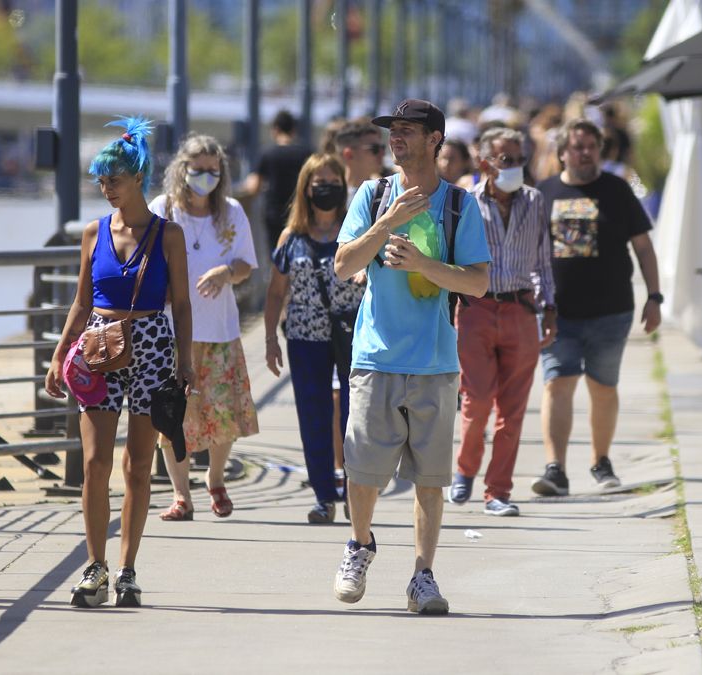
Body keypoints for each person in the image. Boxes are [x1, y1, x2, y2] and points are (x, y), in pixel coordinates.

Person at [332, 99, 490, 615]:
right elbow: (343, 265)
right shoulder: (372, 194)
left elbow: (479, 283)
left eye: (407, 130)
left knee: (429, 478)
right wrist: (385, 223)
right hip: (375, 354)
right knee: (361, 469)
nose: (396, 138)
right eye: (392, 131)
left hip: (435, 360)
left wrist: (425, 263)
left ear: (435, 140)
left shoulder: (459, 206)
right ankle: (360, 544)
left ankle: (423, 576)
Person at [45, 116, 195, 608]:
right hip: (97, 347)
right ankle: (95, 566)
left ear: (138, 179)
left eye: (114, 179)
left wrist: (185, 363)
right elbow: (81, 301)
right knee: (95, 462)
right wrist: (59, 354)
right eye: (102, 180)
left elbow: (183, 303)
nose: (106, 188)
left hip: (152, 344)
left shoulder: (166, 234)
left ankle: (128, 568)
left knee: (137, 466)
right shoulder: (94, 233)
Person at [532, 118, 661, 496]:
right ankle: (555, 469)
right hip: (558, 312)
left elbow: (643, 247)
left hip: (611, 310)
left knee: (603, 387)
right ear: (562, 153)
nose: (584, 153)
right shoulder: (544, 193)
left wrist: (654, 297)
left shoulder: (617, 190)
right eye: (576, 146)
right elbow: (530, 251)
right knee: (557, 383)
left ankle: (600, 461)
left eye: (591, 146)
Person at [150, 133, 259, 522]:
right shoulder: (163, 210)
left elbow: (247, 264)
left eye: (214, 170)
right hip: (171, 334)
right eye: (198, 169)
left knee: (223, 414)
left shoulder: (230, 212)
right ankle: (182, 495)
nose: (206, 176)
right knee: (171, 416)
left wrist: (226, 272)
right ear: (182, 169)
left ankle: (215, 478)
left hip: (219, 331)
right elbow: (139, 255)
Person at [450, 127, 556, 517]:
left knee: (511, 410)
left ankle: (498, 491)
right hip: (477, 309)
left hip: (520, 309)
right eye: (505, 159)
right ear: (485, 164)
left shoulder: (534, 201)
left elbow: (544, 258)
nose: (513, 167)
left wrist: (550, 308)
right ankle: (465, 467)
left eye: (519, 159)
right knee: (476, 401)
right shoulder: (466, 203)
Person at [264, 153, 364, 523]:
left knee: (355, 416)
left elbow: (376, 270)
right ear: (306, 188)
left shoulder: (356, 230)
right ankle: (324, 497)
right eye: (318, 182)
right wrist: (270, 339)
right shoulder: (292, 236)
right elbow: (275, 291)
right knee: (313, 415)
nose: (326, 189)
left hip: (350, 333)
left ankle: (356, 491)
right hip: (304, 337)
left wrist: (366, 275)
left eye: (333, 182)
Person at [244, 109, 313, 248]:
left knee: (276, 256)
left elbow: (253, 187)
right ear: (294, 130)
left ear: (275, 129)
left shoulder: (267, 153)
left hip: (274, 215)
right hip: (301, 212)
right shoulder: (306, 153)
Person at [334, 120, 386, 205]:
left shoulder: (385, 192)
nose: (382, 154)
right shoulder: (332, 197)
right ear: (349, 155)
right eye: (374, 149)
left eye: (382, 148)